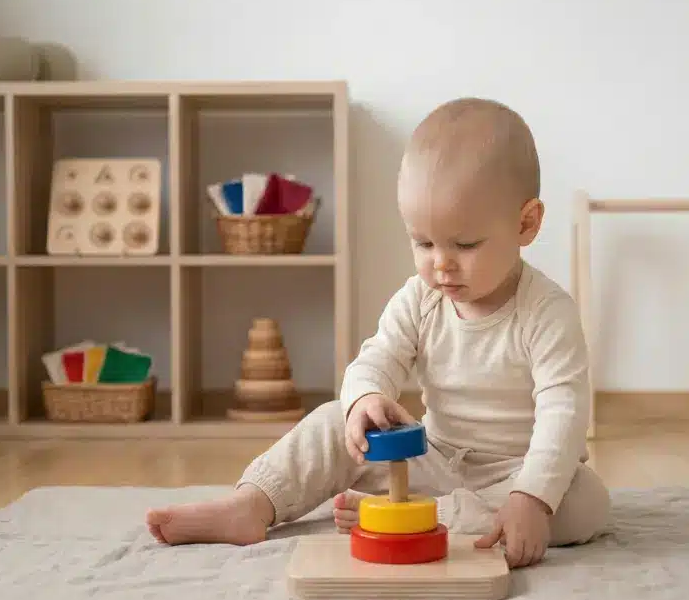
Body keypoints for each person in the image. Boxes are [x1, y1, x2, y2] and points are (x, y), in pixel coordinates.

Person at [146, 97, 609, 568]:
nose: (441, 263)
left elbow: (564, 414)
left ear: (525, 224)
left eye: (465, 245)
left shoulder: (547, 312)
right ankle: (252, 504)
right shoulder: (420, 298)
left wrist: (532, 497)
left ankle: (419, 515)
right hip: (434, 457)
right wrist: (365, 399)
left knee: (584, 500)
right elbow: (377, 358)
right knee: (334, 420)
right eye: (423, 242)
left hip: (516, 472)